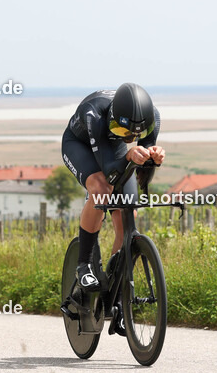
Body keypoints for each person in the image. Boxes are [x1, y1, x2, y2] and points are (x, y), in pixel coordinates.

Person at [61, 82, 164, 292]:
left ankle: (116, 283)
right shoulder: (94, 113)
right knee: (101, 189)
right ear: (112, 119)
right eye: (122, 131)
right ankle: (84, 265)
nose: (128, 138)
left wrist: (154, 155)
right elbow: (110, 172)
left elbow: (143, 155)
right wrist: (128, 154)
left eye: (133, 135)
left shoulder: (152, 116)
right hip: (80, 144)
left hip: (111, 145)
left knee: (128, 210)